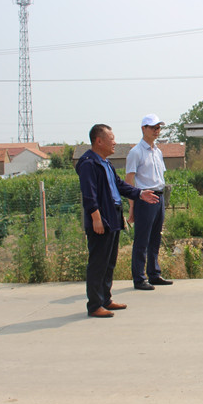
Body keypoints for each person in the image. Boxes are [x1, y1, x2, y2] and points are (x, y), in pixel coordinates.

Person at [76, 124, 159, 318]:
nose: (114, 142)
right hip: (101, 219)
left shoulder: (106, 163)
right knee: (98, 263)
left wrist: (140, 193)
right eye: (111, 139)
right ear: (99, 141)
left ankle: (106, 299)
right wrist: (96, 218)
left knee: (109, 263)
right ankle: (94, 305)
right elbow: (89, 195)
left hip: (113, 217)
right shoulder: (89, 164)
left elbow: (120, 185)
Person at [126, 114, 172, 290]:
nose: (156, 131)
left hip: (159, 196)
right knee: (142, 239)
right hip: (145, 197)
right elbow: (129, 180)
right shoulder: (136, 152)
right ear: (143, 129)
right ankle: (139, 278)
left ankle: (154, 274)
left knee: (155, 237)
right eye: (153, 127)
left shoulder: (158, 152)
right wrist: (132, 204)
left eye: (158, 128)